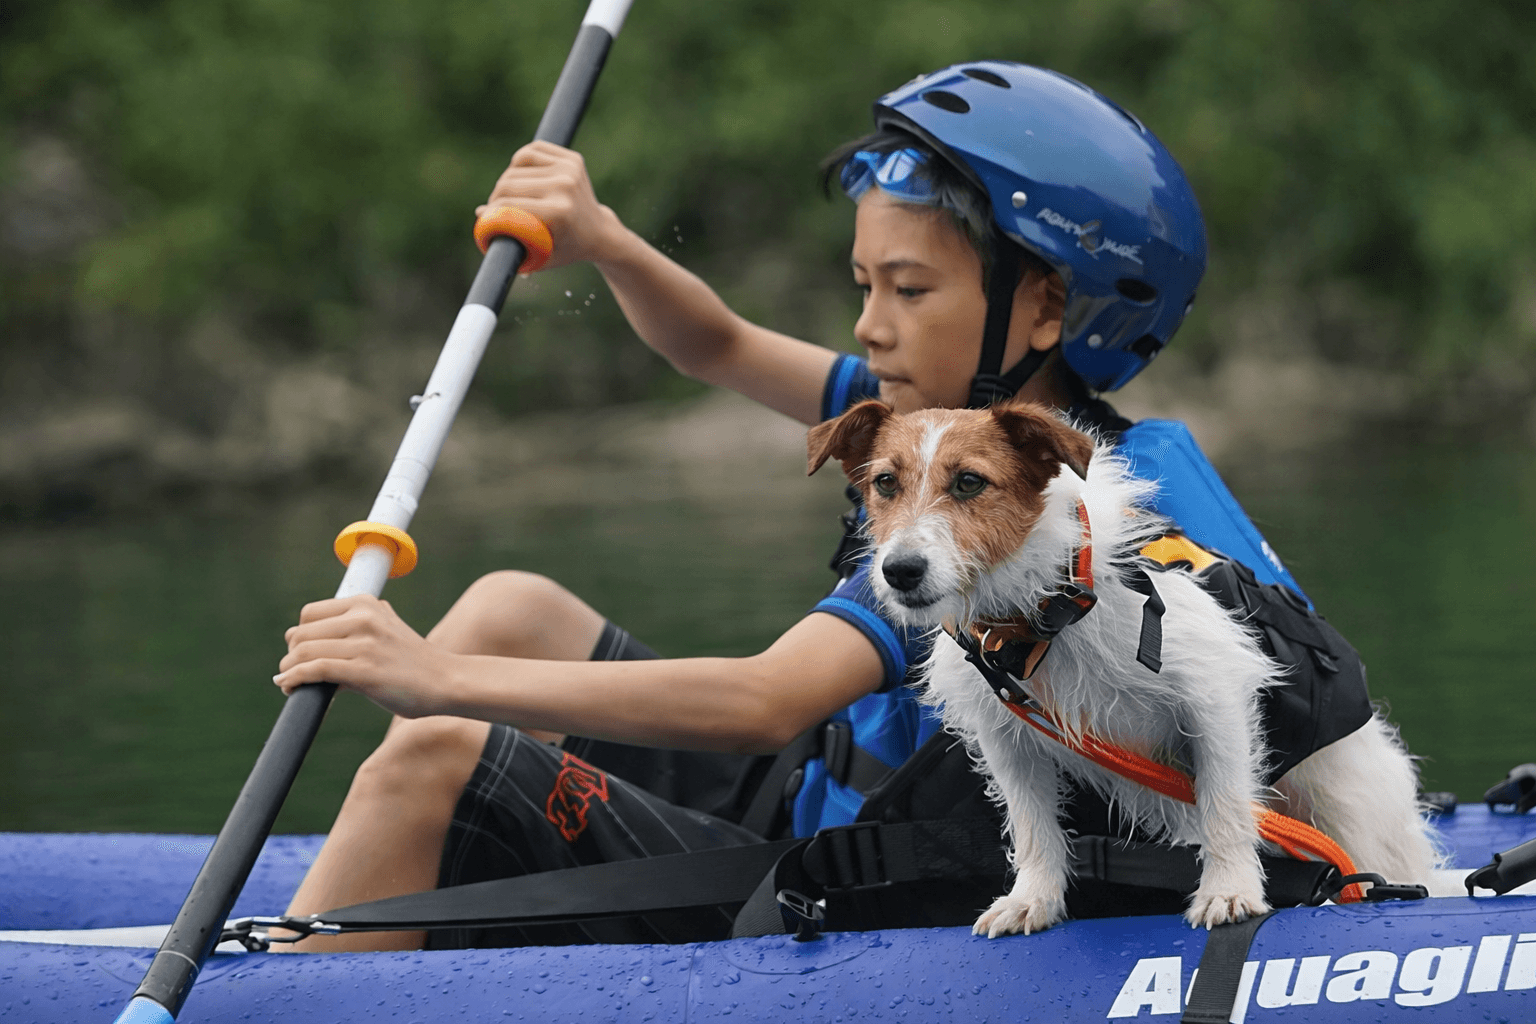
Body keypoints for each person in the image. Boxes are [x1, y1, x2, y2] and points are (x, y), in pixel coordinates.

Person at [272, 62, 1360, 950]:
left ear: (1039, 310)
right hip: (826, 792)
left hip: (849, 877)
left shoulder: (1014, 513)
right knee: (511, 606)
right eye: (864, 284)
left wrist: (426, 678)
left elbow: (762, 700)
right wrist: (599, 236)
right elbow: (717, 345)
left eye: (910, 289)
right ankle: (366, 883)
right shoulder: (929, 417)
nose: (872, 327)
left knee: (435, 748)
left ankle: (309, 946)